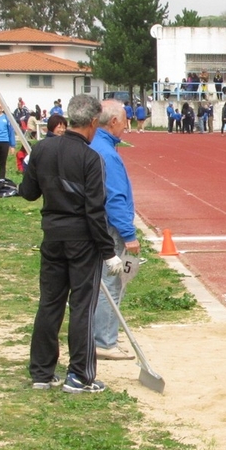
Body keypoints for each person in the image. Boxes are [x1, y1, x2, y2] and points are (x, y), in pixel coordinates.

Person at [18, 93, 120, 394]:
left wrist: (37, 168)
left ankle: (41, 372)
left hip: (52, 237)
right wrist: (108, 252)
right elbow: (94, 210)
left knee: (49, 303)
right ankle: (79, 376)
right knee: (81, 307)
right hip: (81, 242)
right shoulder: (91, 159)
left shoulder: (43, 148)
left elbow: (28, 192)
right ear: (91, 122)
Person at [90, 100, 140, 361]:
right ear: (113, 122)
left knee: (101, 282)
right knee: (111, 282)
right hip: (111, 227)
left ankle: (100, 336)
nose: (126, 126)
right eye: (124, 121)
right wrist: (129, 234)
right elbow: (114, 197)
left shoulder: (95, 145)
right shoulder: (107, 154)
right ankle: (105, 342)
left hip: (95, 225)